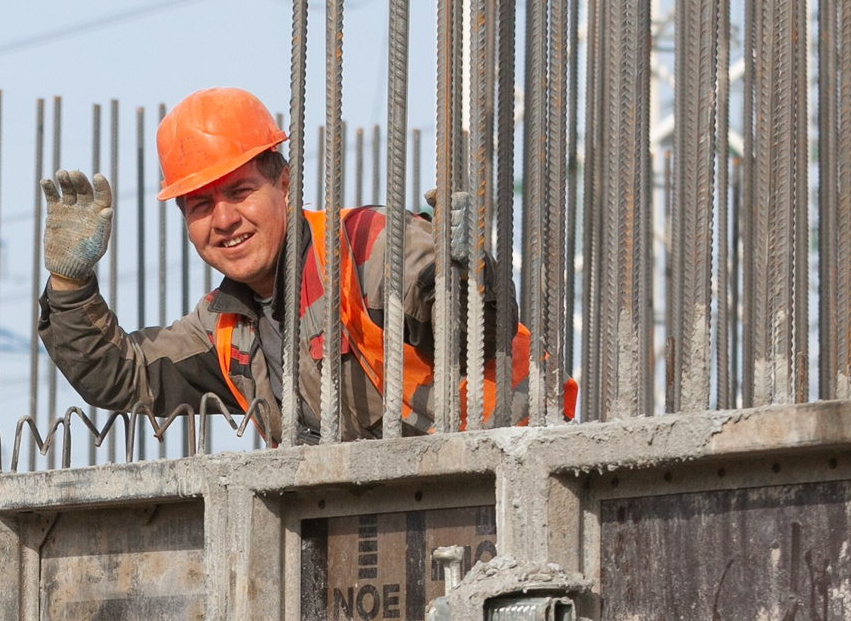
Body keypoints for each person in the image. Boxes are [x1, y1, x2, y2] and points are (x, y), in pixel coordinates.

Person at [37, 85, 534, 443]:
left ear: (284, 184)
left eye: (240, 191)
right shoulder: (226, 326)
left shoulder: (368, 247)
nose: (225, 220)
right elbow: (122, 375)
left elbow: (477, 336)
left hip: (510, 467)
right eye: (201, 206)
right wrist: (70, 283)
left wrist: (467, 276)